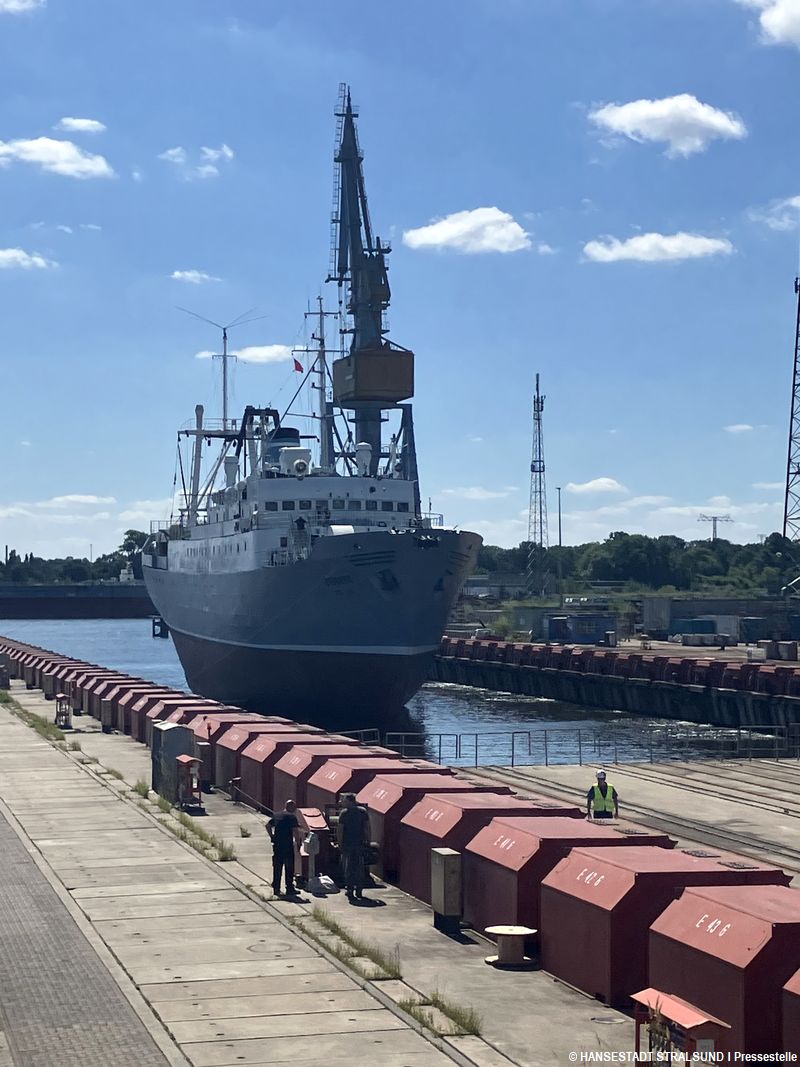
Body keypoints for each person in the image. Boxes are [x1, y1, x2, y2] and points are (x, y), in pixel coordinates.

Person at [337, 793, 371, 901]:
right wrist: (368, 841)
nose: (342, 802)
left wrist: (339, 843)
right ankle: (359, 890)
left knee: (348, 867)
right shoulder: (363, 812)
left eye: (344, 800)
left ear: (349, 801)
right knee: (359, 867)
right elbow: (367, 828)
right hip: (360, 844)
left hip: (348, 844)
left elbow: (340, 830)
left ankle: (350, 889)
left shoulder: (344, 813)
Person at [266, 799, 303, 897]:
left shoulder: (277, 815)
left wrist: (272, 836)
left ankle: (276, 889)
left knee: (277, 867)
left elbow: (268, 826)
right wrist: (299, 843)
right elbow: (295, 831)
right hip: (287, 846)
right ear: (291, 807)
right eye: (294, 807)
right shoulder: (292, 817)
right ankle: (289, 888)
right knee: (289, 868)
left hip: (277, 845)